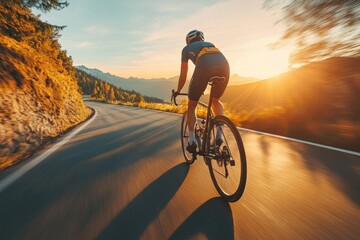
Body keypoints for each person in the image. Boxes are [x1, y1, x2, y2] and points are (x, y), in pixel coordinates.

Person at [173, 30, 230, 154]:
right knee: (215, 101)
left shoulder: (186, 49)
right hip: (224, 65)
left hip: (204, 65)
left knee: (192, 105)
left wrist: (177, 91)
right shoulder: (210, 44)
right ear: (202, 39)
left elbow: (183, 75)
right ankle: (219, 135)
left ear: (188, 40)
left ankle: (192, 141)